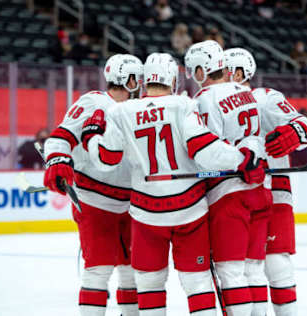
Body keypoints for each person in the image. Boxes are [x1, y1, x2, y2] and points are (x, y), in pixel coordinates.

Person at [82, 52, 266, 316]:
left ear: (145, 80)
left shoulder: (121, 112)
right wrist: (243, 159)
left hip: (146, 214)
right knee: (198, 282)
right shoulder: (183, 105)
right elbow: (205, 151)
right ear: (172, 79)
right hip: (189, 210)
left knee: (149, 284)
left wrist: (91, 138)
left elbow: (106, 159)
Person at [43, 54, 144, 316]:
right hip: (95, 201)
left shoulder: (138, 108)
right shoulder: (94, 102)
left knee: (131, 271)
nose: (141, 83)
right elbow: (61, 136)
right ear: (129, 79)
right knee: (98, 271)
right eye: (138, 78)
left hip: (132, 204)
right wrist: (58, 162)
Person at [224, 47, 307, 316]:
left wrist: (294, 133)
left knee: (276, 262)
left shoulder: (263, 98)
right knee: (237, 269)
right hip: (230, 193)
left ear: (241, 72)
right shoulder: (211, 100)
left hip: (273, 189)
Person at [185, 40, 271, 316]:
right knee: (254, 270)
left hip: (227, 195)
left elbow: (207, 151)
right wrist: (249, 156)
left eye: (194, 70)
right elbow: (256, 140)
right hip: (258, 188)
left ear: (202, 69)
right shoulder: (247, 94)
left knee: (231, 273)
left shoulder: (204, 99)